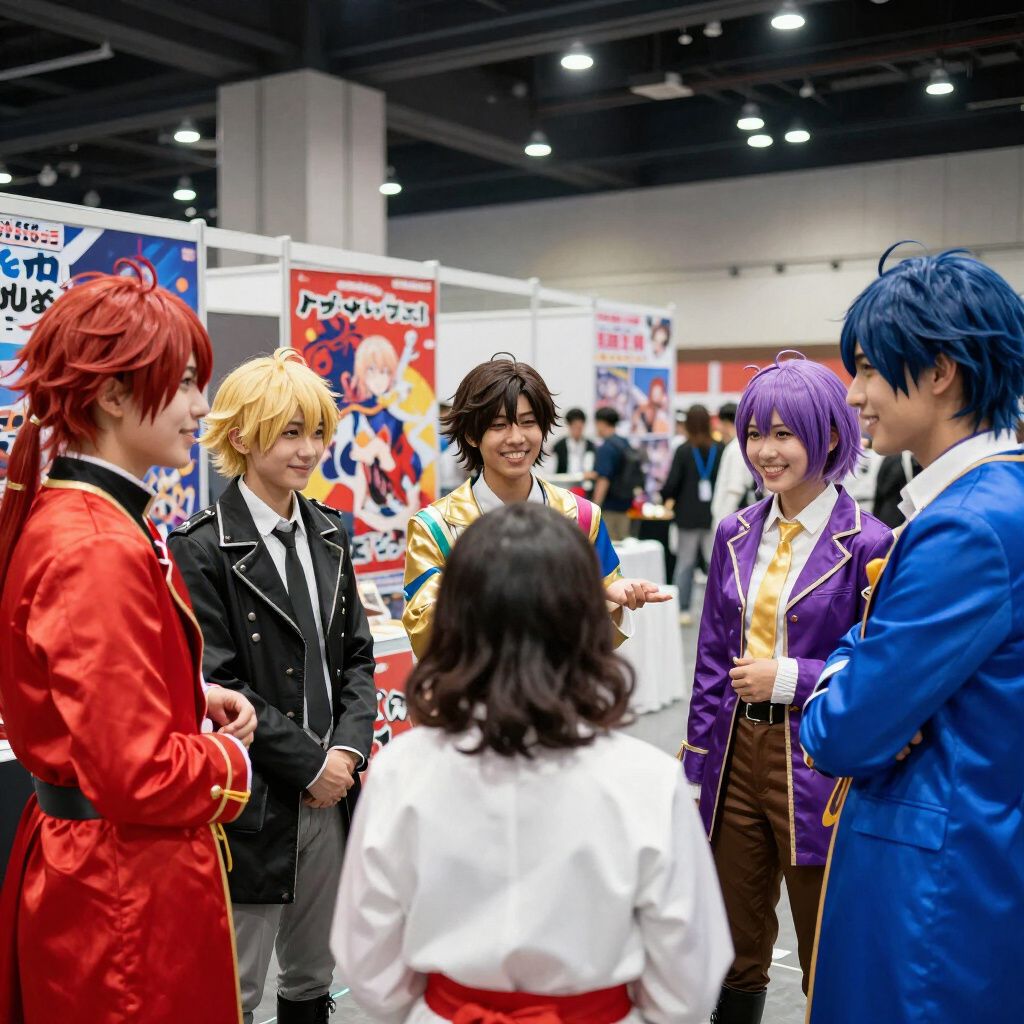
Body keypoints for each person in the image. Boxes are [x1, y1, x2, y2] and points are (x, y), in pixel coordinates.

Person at [335, 503, 733, 1024]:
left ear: (455, 620)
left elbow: (367, 958)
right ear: (586, 624)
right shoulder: (648, 780)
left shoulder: (402, 770)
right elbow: (689, 976)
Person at [0, 261, 256, 1024]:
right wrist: (233, 761)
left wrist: (186, 695)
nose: (202, 406)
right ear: (113, 396)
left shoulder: (88, 518)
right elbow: (136, 772)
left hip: (104, 867)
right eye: (185, 384)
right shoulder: (95, 543)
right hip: (121, 890)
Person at [801, 248, 1024, 1024]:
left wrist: (837, 672)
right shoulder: (989, 501)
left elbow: (844, 731)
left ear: (940, 371)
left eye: (868, 368)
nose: (854, 394)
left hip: (933, 888)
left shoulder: (969, 525)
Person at [169, 348, 377, 1024]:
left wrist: (345, 754)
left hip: (334, 793)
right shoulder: (200, 547)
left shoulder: (330, 531)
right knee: (235, 987)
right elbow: (217, 683)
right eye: (290, 432)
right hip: (251, 800)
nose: (307, 450)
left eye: (316, 432)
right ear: (240, 436)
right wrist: (311, 765)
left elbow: (358, 657)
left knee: (314, 978)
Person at [680, 354, 890, 1024]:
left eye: (783, 434)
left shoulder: (871, 543)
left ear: (828, 436)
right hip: (735, 753)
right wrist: (694, 768)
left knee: (826, 940)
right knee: (733, 941)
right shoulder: (735, 533)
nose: (765, 451)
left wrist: (793, 677)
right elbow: (711, 661)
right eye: (754, 434)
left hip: (820, 761)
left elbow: (882, 669)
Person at [403, 357, 668, 660]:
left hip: (561, 686)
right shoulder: (434, 527)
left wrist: (610, 603)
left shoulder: (581, 517)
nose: (516, 438)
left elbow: (602, 639)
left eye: (528, 422)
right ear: (471, 435)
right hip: (475, 688)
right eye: (498, 425)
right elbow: (424, 635)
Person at [661, 405, 724, 623]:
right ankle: (719, 610)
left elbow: (672, 483)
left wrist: (664, 496)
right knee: (717, 565)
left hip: (687, 516)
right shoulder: (720, 448)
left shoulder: (683, 450)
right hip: (714, 516)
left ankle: (683, 610)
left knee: (685, 564)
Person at [592, 407, 639, 541]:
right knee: (623, 545)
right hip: (626, 505)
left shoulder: (606, 447)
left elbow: (604, 479)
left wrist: (594, 508)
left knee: (609, 546)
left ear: (601, 423)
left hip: (609, 507)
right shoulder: (624, 443)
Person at [711, 402, 756, 532]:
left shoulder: (736, 448)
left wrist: (722, 525)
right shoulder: (738, 445)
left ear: (726, 423)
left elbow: (734, 490)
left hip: (731, 519)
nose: (718, 429)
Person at [872, 450, 920, 527]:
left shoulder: (891, 458)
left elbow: (881, 487)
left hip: (890, 511)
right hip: (901, 512)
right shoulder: (914, 460)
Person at [552, 407, 597, 487]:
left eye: (580, 428)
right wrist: (581, 476)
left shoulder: (591, 445)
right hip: (563, 487)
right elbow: (554, 474)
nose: (577, 431)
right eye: (574, 427)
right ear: (569, 426)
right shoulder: (559, 446)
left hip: (585, 488)